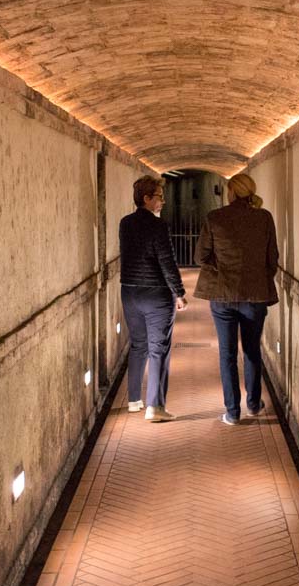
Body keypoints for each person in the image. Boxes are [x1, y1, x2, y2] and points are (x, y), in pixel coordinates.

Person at [194, 172, 279, 425]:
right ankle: (253, 404)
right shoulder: (263, 218)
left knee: (227, 354)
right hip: (255, 295)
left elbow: (200, 257)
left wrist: (220, 269)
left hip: (222, 296)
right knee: (252, 350)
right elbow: (271, 259)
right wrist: (257, 278)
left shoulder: (215, 218)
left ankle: (232, 411)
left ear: (230, 192)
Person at [119, 177, 187, 422]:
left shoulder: (125, 224)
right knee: (158, 349)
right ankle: (155, 407)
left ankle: (134, 400)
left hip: (129, 292)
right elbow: (166, 262)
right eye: (159, 196)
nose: (163, 201)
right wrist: (179, 292)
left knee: (138, 345)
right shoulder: (159, 227)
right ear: (146, 199)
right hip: (155, 294)